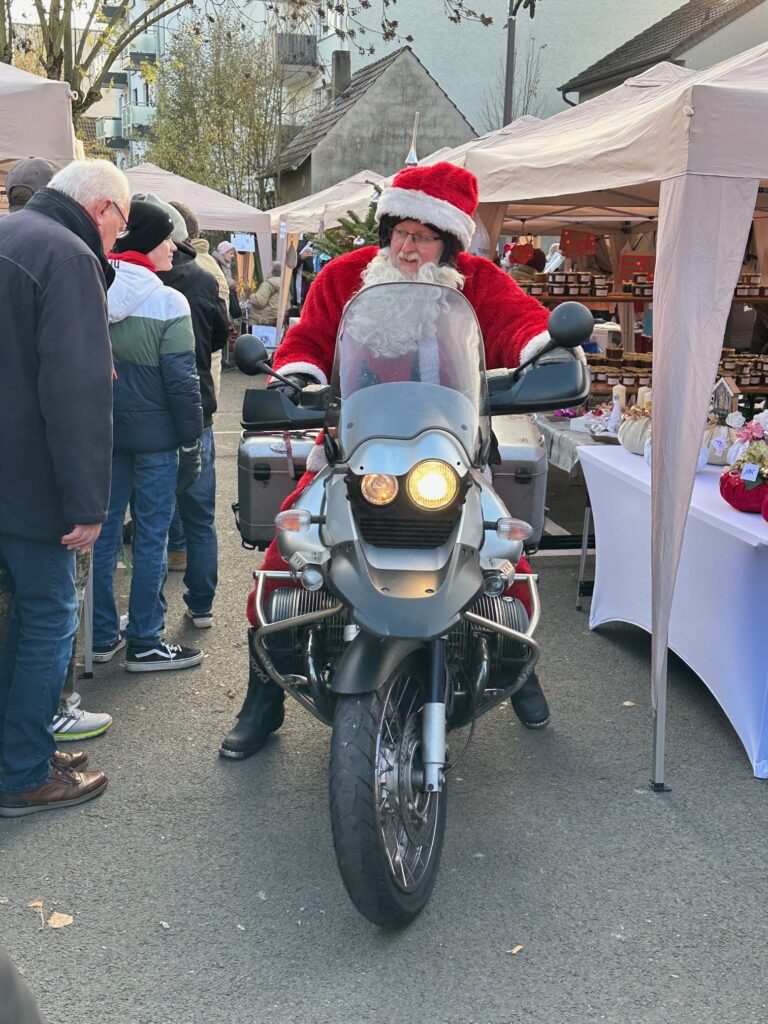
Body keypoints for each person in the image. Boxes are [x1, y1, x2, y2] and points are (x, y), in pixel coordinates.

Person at [220, 162, 558, 761]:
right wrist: (297, 379)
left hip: (447, 451)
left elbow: (519, 323)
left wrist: (546, 351)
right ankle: (263, 698)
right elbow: (307, 338)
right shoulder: (349, 274)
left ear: (447, 243)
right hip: (353, 450)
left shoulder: (475, 281)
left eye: (423, 235)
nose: (408, 246)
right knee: (285, 554)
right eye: (400, 231)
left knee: (504, 553)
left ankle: (517, 666)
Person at [0, 158, 128, 815]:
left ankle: (19, 751)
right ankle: (22, 772)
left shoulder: (11, 234)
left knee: (22, 621)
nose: (117, 244)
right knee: (48, 619)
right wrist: (87, 502)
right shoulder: (69, 255)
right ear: (102, 208)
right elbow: (76, 390)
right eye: (121, 228)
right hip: (30, 482)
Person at [91, 200, 204, 672]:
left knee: (102, 535)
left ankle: (99, 635)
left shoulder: (90, 285)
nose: (172, 249)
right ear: (146, 242)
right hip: (156, 438)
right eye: (164, 239)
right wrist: (191, 440)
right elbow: (182, 382)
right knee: (153, 536)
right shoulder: (167, 301)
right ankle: (145, 639)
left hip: (101, 434)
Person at [155, 197, 229, 628]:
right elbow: (222, 333)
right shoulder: (204, 279)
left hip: (148, 413)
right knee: (199, 515)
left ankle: (146, 622)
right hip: (199, 404)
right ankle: (201, 604)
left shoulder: (131, 278)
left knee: (154, 519)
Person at [247, 261, 282, 326]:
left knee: (246, 316)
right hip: (275, 317)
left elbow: (259, 302)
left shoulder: (268, 283)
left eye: (269, 269)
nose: (267, 272)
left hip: (263, 318)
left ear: (273, 272)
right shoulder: (283, 283)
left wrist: (252, 296)